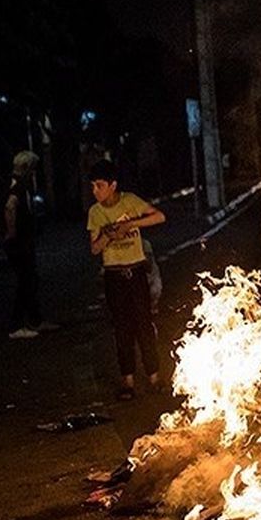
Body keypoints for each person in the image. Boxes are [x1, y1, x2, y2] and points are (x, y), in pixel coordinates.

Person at [86, 159, 166, 400]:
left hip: (137, 273)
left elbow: (159, 217)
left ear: (113, 185)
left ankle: (154, 378)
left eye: (99, 185)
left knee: (144, 326)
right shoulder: (96, 213)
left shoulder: (130, 201)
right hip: (114, 276)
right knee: (122, 329)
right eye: (93, 186)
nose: (95, 191)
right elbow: (94, 249)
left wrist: (131, 223)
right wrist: (109, 235)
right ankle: (128, 382)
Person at [0, 151, 56, 339]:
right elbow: (10, 206)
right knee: (26, 279)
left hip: (10, 237)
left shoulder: (1, 182)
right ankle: (17, 324)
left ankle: (35, 318)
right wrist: (11, 230)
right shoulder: (20, 186)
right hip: (20, 238)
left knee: (29, 278)